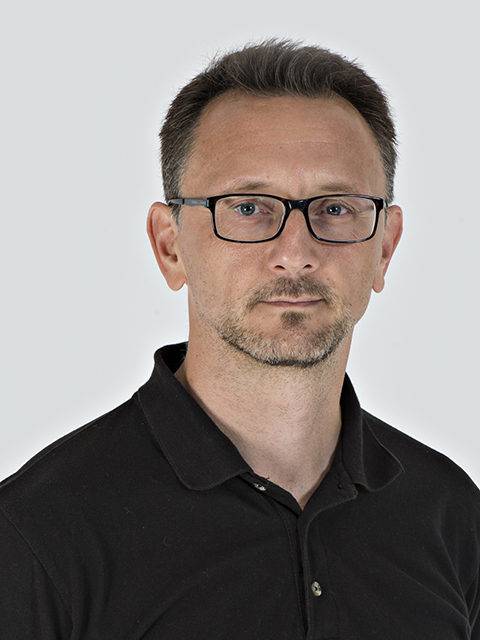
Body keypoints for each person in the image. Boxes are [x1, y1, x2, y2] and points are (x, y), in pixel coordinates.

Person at [1, 39, 479, 639]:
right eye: (248, 207)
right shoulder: (37, 534)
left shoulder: (450, 514)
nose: (295, 253)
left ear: (384, 247)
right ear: (170, 246)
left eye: (335, 209)